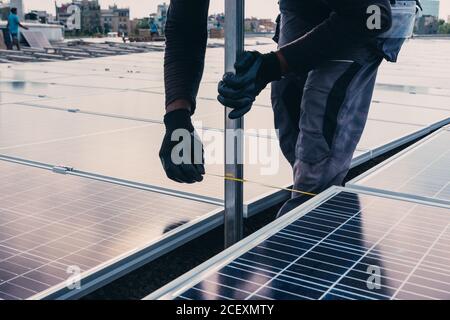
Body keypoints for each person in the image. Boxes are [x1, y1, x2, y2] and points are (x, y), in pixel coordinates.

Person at [159, 0, 413, 216]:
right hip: (302, 5)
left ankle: (310, 236)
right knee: (287, 106)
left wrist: (272, 66)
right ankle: (320, 203)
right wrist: (177, 118)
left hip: (370, 11)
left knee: (319, 131)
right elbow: (184, 27)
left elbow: (369, 15)